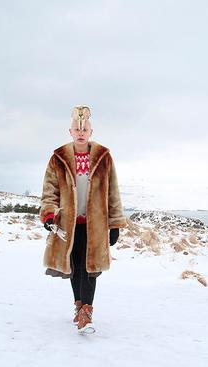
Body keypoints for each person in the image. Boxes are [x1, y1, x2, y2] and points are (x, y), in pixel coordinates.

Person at [39, 105, 128, 334]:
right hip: (68, 225)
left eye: (85, 129)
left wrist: (115, 224)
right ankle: (78, 306)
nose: (81, 132)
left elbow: (112, 192)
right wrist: (49, 214)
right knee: (75, 267)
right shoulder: (58, 158)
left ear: (91, 131)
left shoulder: (103, 157)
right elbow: (50, 191)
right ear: (70, 131)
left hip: (95, 225)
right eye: (77, 129)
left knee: (90, 269)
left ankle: (86, 314)